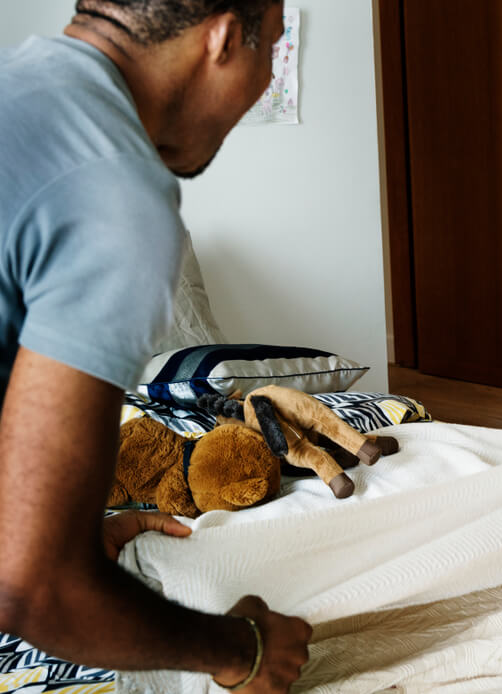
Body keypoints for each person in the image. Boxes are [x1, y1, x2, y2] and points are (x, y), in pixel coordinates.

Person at [0, 1, 312, 692]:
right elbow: (34, 589)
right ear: (227, 38)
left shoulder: (17, 81)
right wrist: (244, 651)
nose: (267, 77)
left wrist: (68, 532)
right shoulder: (115, 197)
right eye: (275, 48)